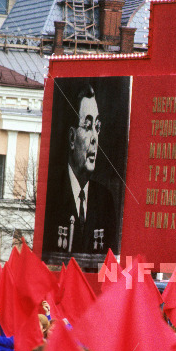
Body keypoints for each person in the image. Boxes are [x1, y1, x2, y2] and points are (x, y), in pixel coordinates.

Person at [42, 84, 117, 256]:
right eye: (88, 126)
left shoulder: (105, 201)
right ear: (72, 138)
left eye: (97, 128)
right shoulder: (51, 194)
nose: (95, 139)